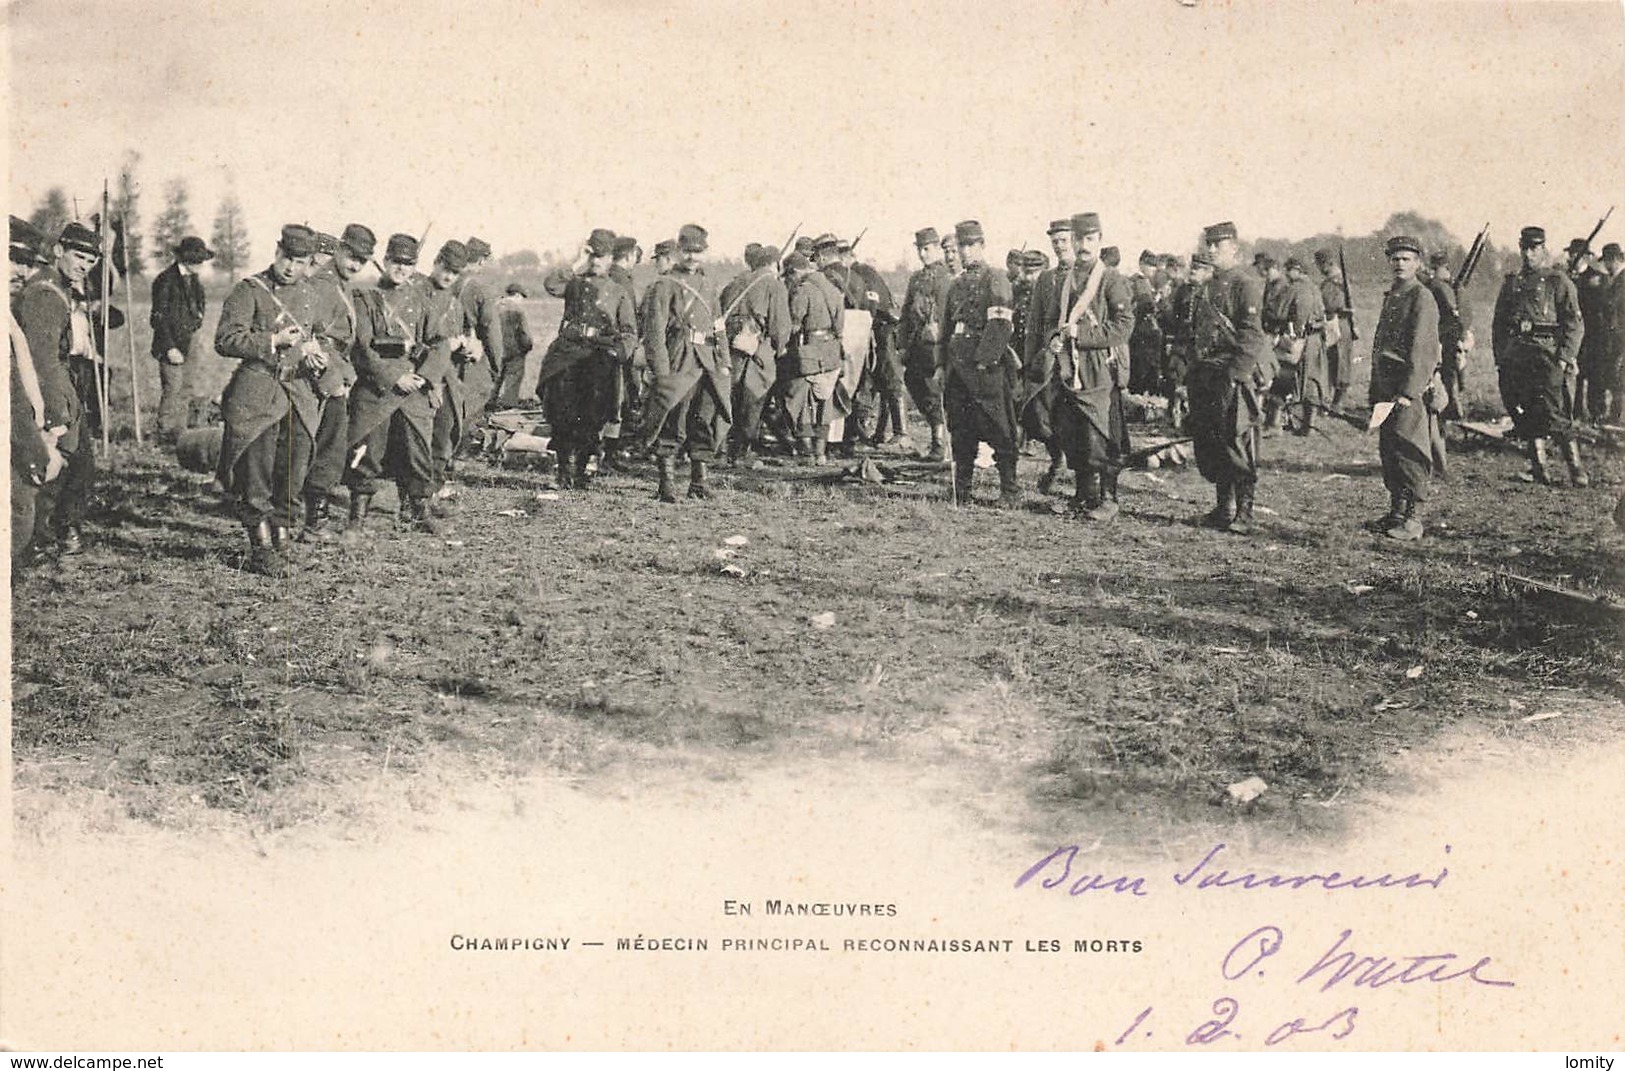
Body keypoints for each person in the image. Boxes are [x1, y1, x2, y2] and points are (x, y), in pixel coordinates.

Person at [213, 224, 323, 575]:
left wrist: (316, 356)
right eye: (286, 258)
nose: (291, 267)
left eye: (300, 261)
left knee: (293, 470)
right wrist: (273, 341)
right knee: (255, 472)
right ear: (276, 251)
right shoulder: (250, 290)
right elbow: (226, 339)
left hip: (299, 394)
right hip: (258, 393)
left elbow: (319, 337)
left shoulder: (310, 293)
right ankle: (260, 548)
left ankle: (282, 539)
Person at [344, 233, 457, 537]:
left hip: (415, 389)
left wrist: (425, 376)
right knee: (366, 452)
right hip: (378, 387)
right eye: (396, 262)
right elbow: (363, 347)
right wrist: (395, 378)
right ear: (386, 261)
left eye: (409, 264)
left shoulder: (423, 301)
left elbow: (440, 344)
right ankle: (357, 519)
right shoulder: (365, 298)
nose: (402, 269)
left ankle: (416, 513)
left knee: (418, 453)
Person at [15, 221, 107, 560]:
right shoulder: (45, 295)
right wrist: (57, 414)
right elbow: (42, 362)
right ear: (58, 251)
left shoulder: (59, 288)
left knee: (78, 463)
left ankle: (57, 532)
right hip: (49, 392)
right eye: (78, 256)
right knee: (55, 464)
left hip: (64, 386)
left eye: (91, 260)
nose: (84, 265)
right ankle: (36, 541)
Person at [1042, 211, 1134, 520]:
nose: (1083, 245)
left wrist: (1084, 335)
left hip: (1100, 367)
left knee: (1103, 433)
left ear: (1099, 241)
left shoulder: (1111, 279)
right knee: (1074, 431)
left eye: (1090, 239)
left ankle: (1108, 499)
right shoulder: (1066, 280)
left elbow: (1123, 326)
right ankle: (1084, 496)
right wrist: (1055, 338)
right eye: (1079, 239)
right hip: (1070, 367)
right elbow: (1053, 321)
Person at [636, 223, 732, 501]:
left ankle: (699, 484)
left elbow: (719, 326)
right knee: (673, 421)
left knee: (704, 420)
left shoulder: (709, 286)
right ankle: (666, 486)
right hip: (679, 358)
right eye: (687, 251)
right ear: (678, 250)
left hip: (708, 362)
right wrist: (662, 373)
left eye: (698, 252)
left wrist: (724, 360)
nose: (692, 257)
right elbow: (654, 332)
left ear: (706, 252)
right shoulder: (664, 285)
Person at [1189, 221, 1274, 535]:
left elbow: (1252, 336)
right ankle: (1223, 508)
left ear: (1234, 248)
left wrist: (1236, 376)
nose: (1211, 249)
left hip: (1232, 374)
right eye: (1208, 244)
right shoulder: (1209, 285)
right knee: (1212, 442)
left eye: (1218, 245)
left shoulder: (1245, 282)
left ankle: (1245, 513)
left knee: (1237, 441)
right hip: (1207, 373)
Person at [536, 228, 639, 489]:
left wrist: (618, 352)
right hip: (569, 353)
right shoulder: (574, 281)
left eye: (601, 257)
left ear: (610, 259)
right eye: (592, 255)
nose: (596, 262)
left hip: (598, 357)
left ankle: (581, 470)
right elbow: (551, 285)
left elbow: (629, 331)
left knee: (593, 414)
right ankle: (564, 471)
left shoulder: (618, 290)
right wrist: (575, 261)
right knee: (562, 412)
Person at [1492, 225, 1587, 486]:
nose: (1528, 254)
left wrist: (1565, 357)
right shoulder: (1513, 282)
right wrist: (1501, 356)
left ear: (1543, 249)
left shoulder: (1558, 281)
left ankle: (1576, 470)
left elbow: (1574, 323)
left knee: (1555, 413)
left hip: (1548, 354)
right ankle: (1539, 468)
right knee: (1525, 410)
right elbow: (1499, 323)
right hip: (1518, 356)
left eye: (1534, 248)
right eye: (1524, 248)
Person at [298, 222, 373, 541]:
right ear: (339, 250)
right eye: (351, 256)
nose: (355, 264)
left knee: (329, 445)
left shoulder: (341, 285)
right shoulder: (322, 284)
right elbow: (312, 335)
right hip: (323, 373)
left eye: (362, 260)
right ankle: (314, 521)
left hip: (338, 370)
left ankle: (315, 517)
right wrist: (332, 376)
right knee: (326, 447)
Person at [938, 220, 1020, 507]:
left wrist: (985, 362)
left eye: (971, 245)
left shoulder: (995, 278)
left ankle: (1009, 491)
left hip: (986, 367)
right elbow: (946, 328)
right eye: (962, 245)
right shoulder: (956, 284)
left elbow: (999, 324)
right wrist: (940, 365)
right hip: (957, 366)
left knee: (999, 429)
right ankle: (962, 490)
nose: (966, 251)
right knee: (961, 430)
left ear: (982, 246)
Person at [1368, 236, 1442, 540]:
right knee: (1391, 449)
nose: (1399, 264)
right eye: (1395, 258)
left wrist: (1409, 391)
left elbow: (1422, 349)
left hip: (1406, 388)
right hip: (1387, 386)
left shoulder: (1421, 297)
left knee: (1410, 449)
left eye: (1406, 259)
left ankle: (1412, 519)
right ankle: (1396, 511)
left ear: (1418, 263)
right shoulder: (1395, 294)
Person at [722, 242, 791, 467]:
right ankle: (742, 451)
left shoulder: (736, 282)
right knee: (753, 398)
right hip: (756, 348)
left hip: (731, 345)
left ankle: (721, 447)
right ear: (774, 263)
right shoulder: (774, 285)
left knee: (729, 397)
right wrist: (780, 349)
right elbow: (780, 326)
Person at [1021, 219, 1076, 493]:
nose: (1059, 246)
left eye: (1063, 240)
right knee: (1037, 414)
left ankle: (1075, 474)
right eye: (1055, 241)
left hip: (1077, 361)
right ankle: (1058, 458)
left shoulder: (1086, 277)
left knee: (1074, 418)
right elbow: (1034, 322)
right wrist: (1031, 359)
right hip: (1048, 360)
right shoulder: (1046, 278)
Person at [780, 250, 845, 465]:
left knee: (798, 396)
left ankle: (806, 452)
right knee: (824, 400)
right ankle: (821, 453)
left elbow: (794, 324)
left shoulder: (803, 290)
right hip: (831, 351)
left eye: (789, 276)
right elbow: (840, 326)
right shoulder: (833, 289)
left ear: (795, 272)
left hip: (808, 350)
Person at [897, 227, 954, 462]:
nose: (923, 254)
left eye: (927, 249)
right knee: (915, 383)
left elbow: (946, 313)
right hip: (917, 344)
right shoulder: (916, 278)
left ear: (937, 248)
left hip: (937, 344)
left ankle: (939, 444)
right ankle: (936, 436)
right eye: (920, 249)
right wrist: (902, 344)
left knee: (935, 391)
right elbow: (906, 312)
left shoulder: (945, 277)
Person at [149, 235, 214, 440]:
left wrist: (198, 321)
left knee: (187, 387)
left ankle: (180, 432)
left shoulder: (194, 280)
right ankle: (165, 432)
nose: (201, 264)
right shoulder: (165, 280)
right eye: (197, 260)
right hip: (171, 344)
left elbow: (200, 304)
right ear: (185, 259)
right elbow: (158, 317)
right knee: (173, 388)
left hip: (190, 339)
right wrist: (169, 347)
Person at [1159, 252, 1213, 432]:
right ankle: (1182, 419)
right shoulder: (1183, 290)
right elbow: (1174, 319)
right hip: (1183, 345)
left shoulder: (1211, 290)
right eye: (1193, 268)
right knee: (1180, 381)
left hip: (1204, 347)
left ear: (1208, 271)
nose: (1193, 272)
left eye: (1198, 269)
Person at [1275, 256, 1328, 436]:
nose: (1286, 274)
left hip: (1298, 338)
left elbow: (1279, 313)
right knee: (1311, 380)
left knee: (1289, 378)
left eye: (1288, 270)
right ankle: (1308, 425)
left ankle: (1279, 421)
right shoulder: (1315, 287)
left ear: (1296, 270)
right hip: (1316, 339)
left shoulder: (1293, 288)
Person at [1566, 238, 1610, 421]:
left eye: (1574, 254)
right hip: (1574, 334)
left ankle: (1596, 414)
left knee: (1594, 376)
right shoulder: (1567, 278)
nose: (1571, 257)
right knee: (1573, 375)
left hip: (1593, 335)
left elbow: (1601, 308)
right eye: (1570, 254)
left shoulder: (1598, 278)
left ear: (1584, 257)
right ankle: (1573, 412)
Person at [1315, 247, 1357, 409]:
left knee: (1341, 362)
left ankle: (1338, 401)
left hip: (1340, 324)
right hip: (1330, 323)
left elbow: (1338, 304)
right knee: (1332, 361)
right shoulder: (1328, 281)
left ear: (1328, 263)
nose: (1319, 269)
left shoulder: (1339, 281)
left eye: (1320, 265)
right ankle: (1333, 399)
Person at [1593, 242, 1625, 422]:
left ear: (1615, 260)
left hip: (1620, 336)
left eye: (1606, 261)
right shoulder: (1613, 281)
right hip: (1612, 337)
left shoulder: (1623, 281)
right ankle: (1612, 415)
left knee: (1618, 376)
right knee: (1613, 375)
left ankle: (1615, 416)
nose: (1605, 266)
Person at [1127, 249, 1163, 395]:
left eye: (1154, 266)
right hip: (1141, 330)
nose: (1153, 269)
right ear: (1141, 264)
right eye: (1149, 265)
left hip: (1149, 331)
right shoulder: (1136, 281)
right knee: (1141, 366)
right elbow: (1142, 305)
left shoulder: (1148, 283)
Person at [495, 283, 536, 407]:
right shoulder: (518, 310)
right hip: (514, 351)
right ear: (518, 295)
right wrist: (527, 346)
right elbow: (524, 333)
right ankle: (509, 403)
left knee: (495, 376)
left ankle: (489, 401)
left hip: (496, 348)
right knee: (513, 377)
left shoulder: (495, 306)